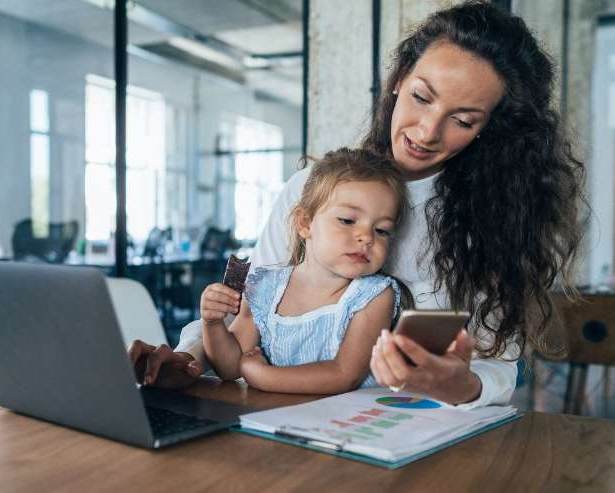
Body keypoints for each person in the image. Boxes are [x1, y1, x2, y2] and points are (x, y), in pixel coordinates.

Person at [128, 1, 587, 407]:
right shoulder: (312, 188)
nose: (428, 131)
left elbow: (497, 371)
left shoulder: (489, 223)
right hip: (286, 420)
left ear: (489, 128)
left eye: (462, 121)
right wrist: (187, 360)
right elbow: (243, 312)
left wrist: (457, 384)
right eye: (421, 97)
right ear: (398, 80)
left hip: (410, 431)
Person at [201, 149, 409, 394]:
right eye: (347, 220)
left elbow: (345, 375)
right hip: (275, 419)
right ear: (305, 223)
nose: (366, 237)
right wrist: (213, 324)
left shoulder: (373, 296)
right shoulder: (264, 288)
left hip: (348, 423)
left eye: (382, 230)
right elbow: (231, 367)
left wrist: (263, 376)